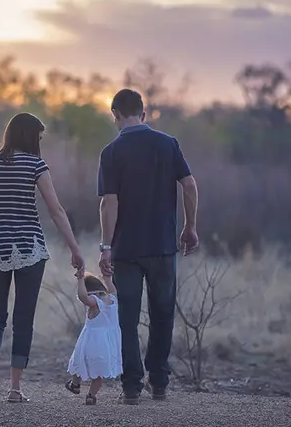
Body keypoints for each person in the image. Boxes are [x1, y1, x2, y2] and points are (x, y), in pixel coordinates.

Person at [0, 112, 85, 403]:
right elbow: (56, 211)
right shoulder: (36, 165)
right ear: (30, 137)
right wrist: (75, 249)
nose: (40, 143)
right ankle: (15, 389)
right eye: (39, 137)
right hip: (29, 248)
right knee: (23, 318)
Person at [96, 89, 199, 405]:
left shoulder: (111, 152)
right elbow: (190, 185)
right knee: (163, 314)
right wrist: (190, 226)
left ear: (115, 114)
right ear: (144, 112)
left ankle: (131, 387)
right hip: (163, 246)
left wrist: (105, 246)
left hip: (126, 249)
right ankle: (159, 382)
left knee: (126, 317)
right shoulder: (167, 144)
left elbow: (108, 203)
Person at [64, 273, 122, 405]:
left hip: (91, 342)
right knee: (98, 375)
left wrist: (80, 280)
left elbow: (83, 297)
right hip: (107, 344)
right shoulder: (113, 298)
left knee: (78, 362)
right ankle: (91, 395)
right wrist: (107, 279)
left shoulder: (95, 302)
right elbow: (113, 289)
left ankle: (75, 384)